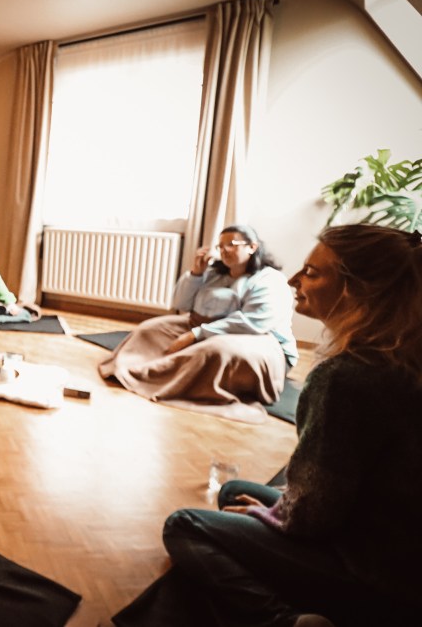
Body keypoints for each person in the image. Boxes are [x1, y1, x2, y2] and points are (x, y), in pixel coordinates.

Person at [112, 223, 422, 626]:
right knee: (234, 492)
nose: (295, 280)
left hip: (370, 571)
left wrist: (274, 519)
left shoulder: (346, 376)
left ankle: (283, 619)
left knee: (184, 526)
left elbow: (314, 515)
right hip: (381, 534)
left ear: (355, 289)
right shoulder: (402, 358)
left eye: (312, 272)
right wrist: (274, 511)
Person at [99, 224, 297, 409]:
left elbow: (253, 322)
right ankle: (140, 369)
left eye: (231, 244)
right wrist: (196, 274)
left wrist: (196, 335)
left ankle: (166, 378)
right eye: (220, 246)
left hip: (257, 339)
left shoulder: (270, 280)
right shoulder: (215, 273)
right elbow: (181, 304)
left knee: (213, 351)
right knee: (149, 329)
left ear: (252, 247)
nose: (224, 250)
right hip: (205, 328)